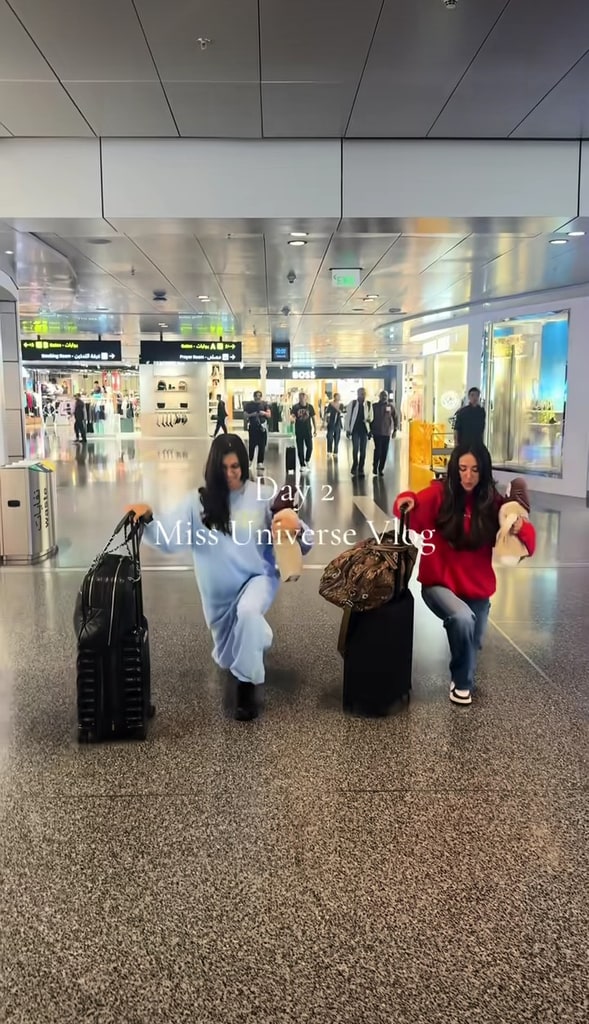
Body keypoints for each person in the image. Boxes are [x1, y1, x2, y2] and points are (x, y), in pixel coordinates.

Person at [126, 434, 313, 721]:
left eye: (235, 466)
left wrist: (296, 527)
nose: (230, 474)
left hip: (257, 578)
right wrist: (147, 519)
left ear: (244, 465)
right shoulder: (197, 502)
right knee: (227, 653)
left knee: (248, 612)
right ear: (214, 467)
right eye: (224, 468)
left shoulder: (261, 496)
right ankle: (256, 638)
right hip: (217, 597)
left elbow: (303, 539)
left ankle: (246, 687)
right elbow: (169, 539)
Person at [392, 443, 535, 705]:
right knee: (462, 619)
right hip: (439, 583)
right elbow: (407, 505)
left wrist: (518, 527)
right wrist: (406, 499)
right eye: (462, 469)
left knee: (473, 641)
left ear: (484, 471)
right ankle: (462, 683)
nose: (467, 476)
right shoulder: (439, 494)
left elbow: (527, 542)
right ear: (454, 469)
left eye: (475, 470)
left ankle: (463, 663)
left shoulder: (493, 503)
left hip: (477, 589)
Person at [345, 387, 373, 477]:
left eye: (364, 393)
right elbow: (348, 417)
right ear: (358, 394)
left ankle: (361, 467)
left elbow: (371, 416)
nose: (363, 395)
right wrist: (348, 429)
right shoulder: (352, 404)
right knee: (355, 448)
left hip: (364, 430)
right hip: (355, 430)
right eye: (361, 393)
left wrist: (368, 420)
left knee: (363, 450)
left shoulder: (368, 404)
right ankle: (355, 465)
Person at [371, 390, 398, 476]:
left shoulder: (390, 406)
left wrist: (395, 430)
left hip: (386, 432)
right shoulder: (374, 406)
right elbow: (370, 417)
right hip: (377, 432)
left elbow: (395, 418)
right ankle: (375, 466)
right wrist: (370, 430)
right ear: (379, 396)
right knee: (378, 450)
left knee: (384, 451)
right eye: (382, 395)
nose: (384, 397)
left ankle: (381, 468)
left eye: (385, 396)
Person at [243, 390, 271, 472]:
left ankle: (260, 462)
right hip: (253, 427)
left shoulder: (265, 404)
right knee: (252, 444)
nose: (258, 397)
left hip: (262, 427)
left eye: (259, 395)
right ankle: (250, 460)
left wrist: (264, 413)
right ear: (254, 396)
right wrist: (253, 414)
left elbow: (269, 415)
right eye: (256, 395)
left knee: (262, 445)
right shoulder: (249, 405)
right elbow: (245, 415)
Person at [290, 391, 316, 471]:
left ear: (306, 398)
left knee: (310, 447)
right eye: (300, 397)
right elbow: (292, 416)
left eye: (303, 397)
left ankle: (307, 460)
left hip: (308, 430)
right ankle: (302, 464)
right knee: (300, 448)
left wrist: (315, 429)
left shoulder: (310, 407)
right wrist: (292, 420)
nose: (301, 399)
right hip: (299, 430)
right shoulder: (295, 407)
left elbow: (313, 418)